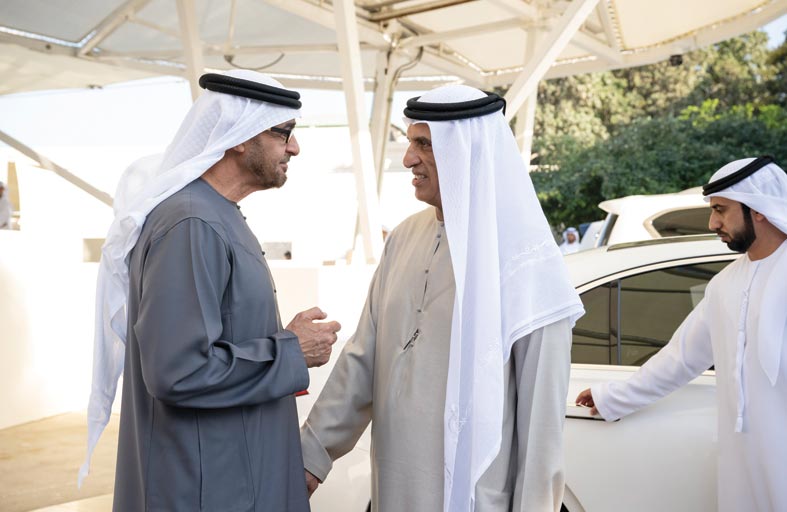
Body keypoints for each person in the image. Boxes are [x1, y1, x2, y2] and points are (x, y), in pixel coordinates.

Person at [300, 85, 584, 511]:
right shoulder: (404, 237)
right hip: (394, 493)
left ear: (467, 151)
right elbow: (363, 358)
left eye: (424, 145)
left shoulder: (525, 262)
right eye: (410, 142)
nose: (408, 159)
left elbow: (541, 429)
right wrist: (310, 455)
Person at [78, 70, 341, 511]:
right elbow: (179, 371)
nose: (294, 147)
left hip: (231, 476)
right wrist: (291, 351)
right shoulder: (191, 222)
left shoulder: (214, 213)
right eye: (284, 133)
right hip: (210, 489)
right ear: (240, 136)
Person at [575, 156, 787, 511]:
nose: (712, 223)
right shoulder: (724, 285)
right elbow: (680, 358)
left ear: (758, 209)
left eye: (720, 210)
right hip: (743, 462)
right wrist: (613, 397)